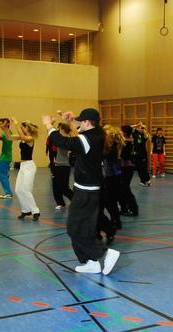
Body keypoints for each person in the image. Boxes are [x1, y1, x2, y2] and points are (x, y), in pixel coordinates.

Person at [43, 108, 120, 275]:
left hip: (86, 192)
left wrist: (48, 125)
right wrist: (71, 120)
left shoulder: (87, 139)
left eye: (80, 120)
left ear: (87, 122)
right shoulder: (97, 133)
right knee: (83, 228)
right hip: (90, 189)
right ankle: (91, 262)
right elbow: (81, 131)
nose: (78, 123)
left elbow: (62, 142)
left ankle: (105, 254)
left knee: (74, 228)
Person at [2, 118, 40, 220]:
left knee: (26, 190)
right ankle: (26, 210)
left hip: (29, 166)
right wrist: (5, 128)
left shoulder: (30, 138)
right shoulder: (22, 137)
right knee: (18, 190)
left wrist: (16, 124)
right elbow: (9, 137)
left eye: (22, 127)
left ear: (27, 128)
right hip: (22, 166)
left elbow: (23, 136)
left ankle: (36, 211)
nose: (21, 129)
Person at [51, 122, 74, 210]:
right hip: (57, 165)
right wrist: (51, 123)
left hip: (64, 166)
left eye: (59, 129)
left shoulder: (67, 140)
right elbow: (53, 134)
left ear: (63, 130)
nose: (58, 130)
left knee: (64, 188)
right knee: (55, 186)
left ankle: (75, 201)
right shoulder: (61, 139)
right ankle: (60, 203)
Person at [119, 125, 139, 216]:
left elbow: (124, 156)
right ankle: (124, 208)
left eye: (121, 131)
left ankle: (134, 209)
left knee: (126, 189)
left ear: (125, 133)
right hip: (125, 168)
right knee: (122, 189)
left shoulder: (128, 143)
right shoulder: (128, 141)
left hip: (126, 168)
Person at [132, 122, 151, 186]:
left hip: (142, 154)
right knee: (139, 168)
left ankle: (146, 180)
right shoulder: (135, 133)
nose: (140, 129)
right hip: (136, 154)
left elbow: (147, 136)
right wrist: (136, 125)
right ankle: (144, 180)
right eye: (139, 128)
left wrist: (144, 128)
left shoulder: (144, 135)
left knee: (143, 167)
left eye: (141, 128)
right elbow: (128, 127)